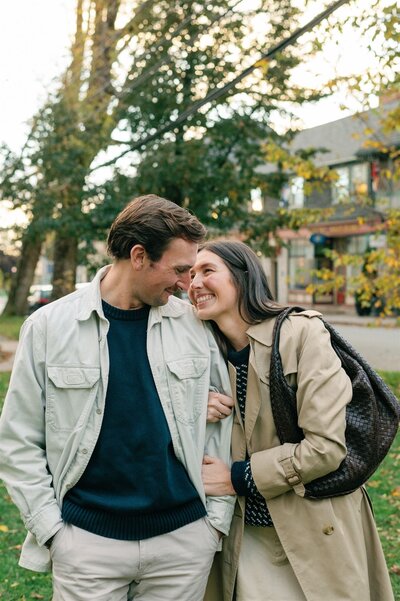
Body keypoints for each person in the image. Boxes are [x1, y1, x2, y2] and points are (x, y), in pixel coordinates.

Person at [0, 195, 235, 601]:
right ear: (139, 256)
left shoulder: (195, 327)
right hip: (87, 547)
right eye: (180, 269)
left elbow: (222, 427)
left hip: (183, 545)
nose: (186, 283)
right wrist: (54, 532)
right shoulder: (48, 327)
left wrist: (212, 526)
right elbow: (17, 439)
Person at [188, 240, 394, 601]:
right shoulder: (197, 349)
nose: (195, 283)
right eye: (190, 274)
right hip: (240, 538)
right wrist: (192, 402)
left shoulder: (300, 333)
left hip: (312, 530)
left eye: (207, 271)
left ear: (243, 277)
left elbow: (325, 448)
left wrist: (239, 477)